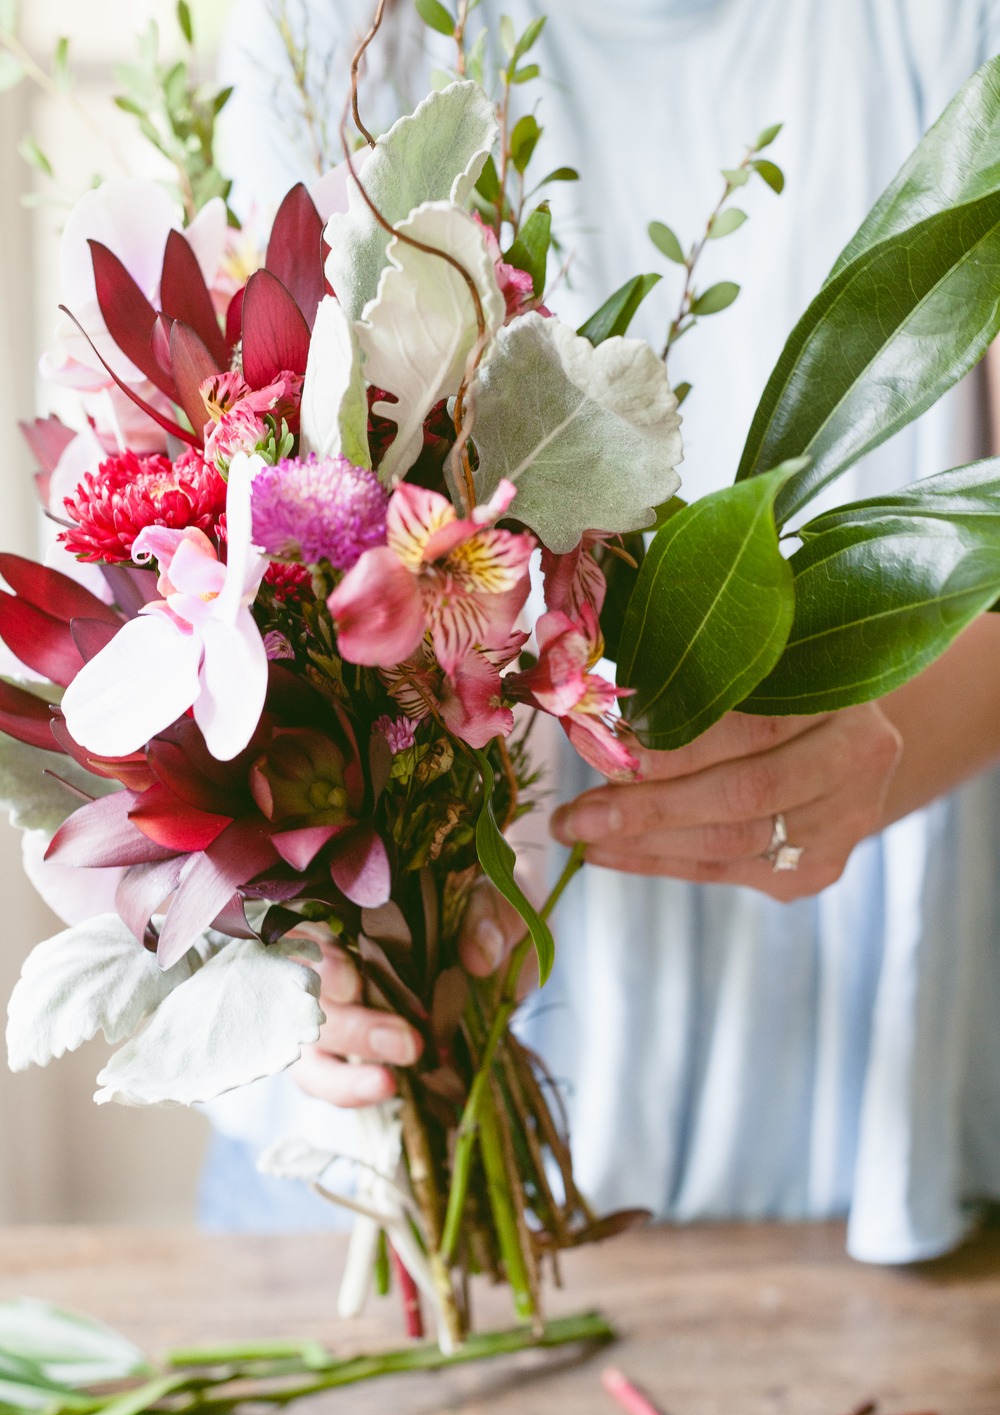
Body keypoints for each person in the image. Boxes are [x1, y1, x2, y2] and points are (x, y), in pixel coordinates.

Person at [203, 0, 1000, 1260]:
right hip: (373, 1155)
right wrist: (332, 923)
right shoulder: (325, 33)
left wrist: (881, 717)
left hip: (847, 1126)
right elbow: (264, 519)